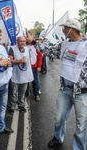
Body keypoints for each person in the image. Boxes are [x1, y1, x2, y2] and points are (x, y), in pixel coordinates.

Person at [47, 19, 87, 150]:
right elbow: (50, 51)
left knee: (81, 124)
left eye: (65, 28)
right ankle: (58, 138)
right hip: (65, 90)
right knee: (59, 118)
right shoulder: (64, 44)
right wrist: (35, 43)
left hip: (82, 93)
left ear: (72, 29)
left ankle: (79, 148)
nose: (63, 30)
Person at [7, 36, 34, 115]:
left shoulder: (28, 50)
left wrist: (30, 71)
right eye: (20, 41)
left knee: (22, 92)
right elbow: (10, 61)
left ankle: (21, 105)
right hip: (15, 73)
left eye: (24, 41)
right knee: (13, 92)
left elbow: (29, 61)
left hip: (24, 74)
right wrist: (19, 61)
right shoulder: (12, 49)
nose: (22, 43)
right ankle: (11, 107)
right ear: (17, 41)